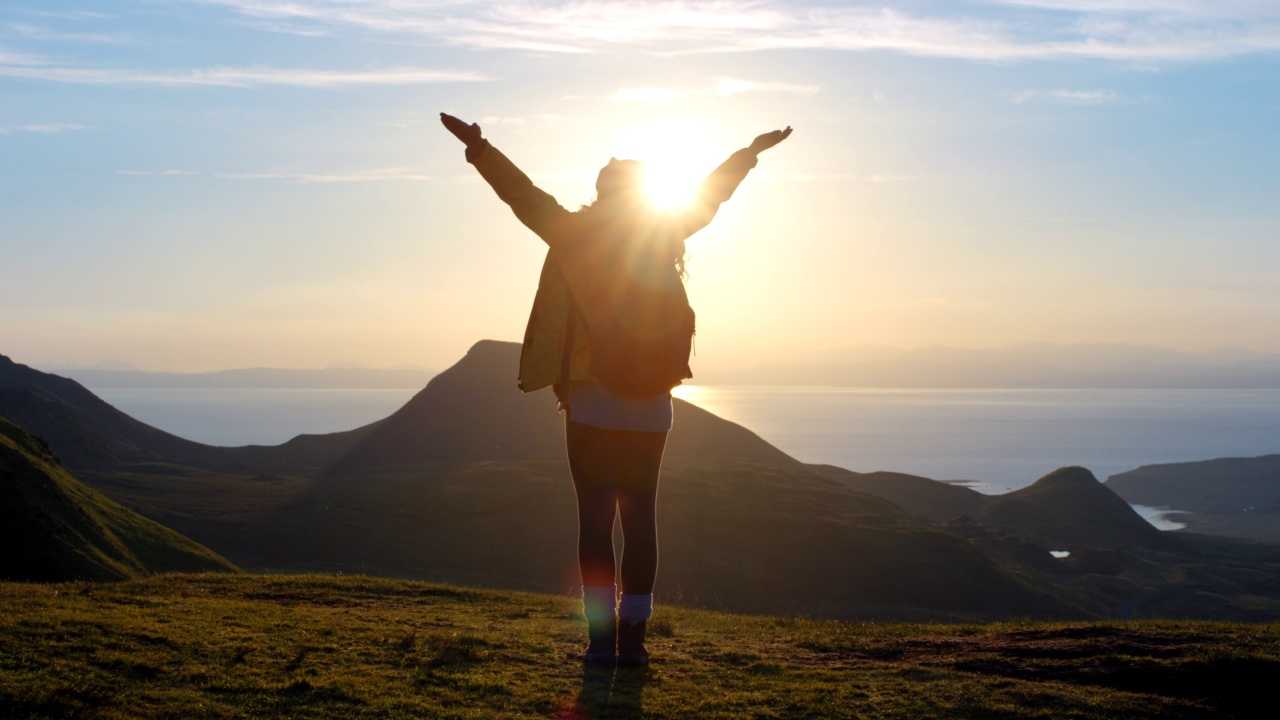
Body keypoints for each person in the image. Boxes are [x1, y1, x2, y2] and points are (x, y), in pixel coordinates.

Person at [441, 112, 791, 668]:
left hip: (591, 401)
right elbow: (711, 194)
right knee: (642, 520)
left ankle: (600, 643)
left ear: (601, 193)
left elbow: (521, 195)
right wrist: (748, 152)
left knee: (595, 521)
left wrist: (482, 150)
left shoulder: (574, 233)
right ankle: (635, 643)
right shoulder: (664, 232)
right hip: (652, 403)